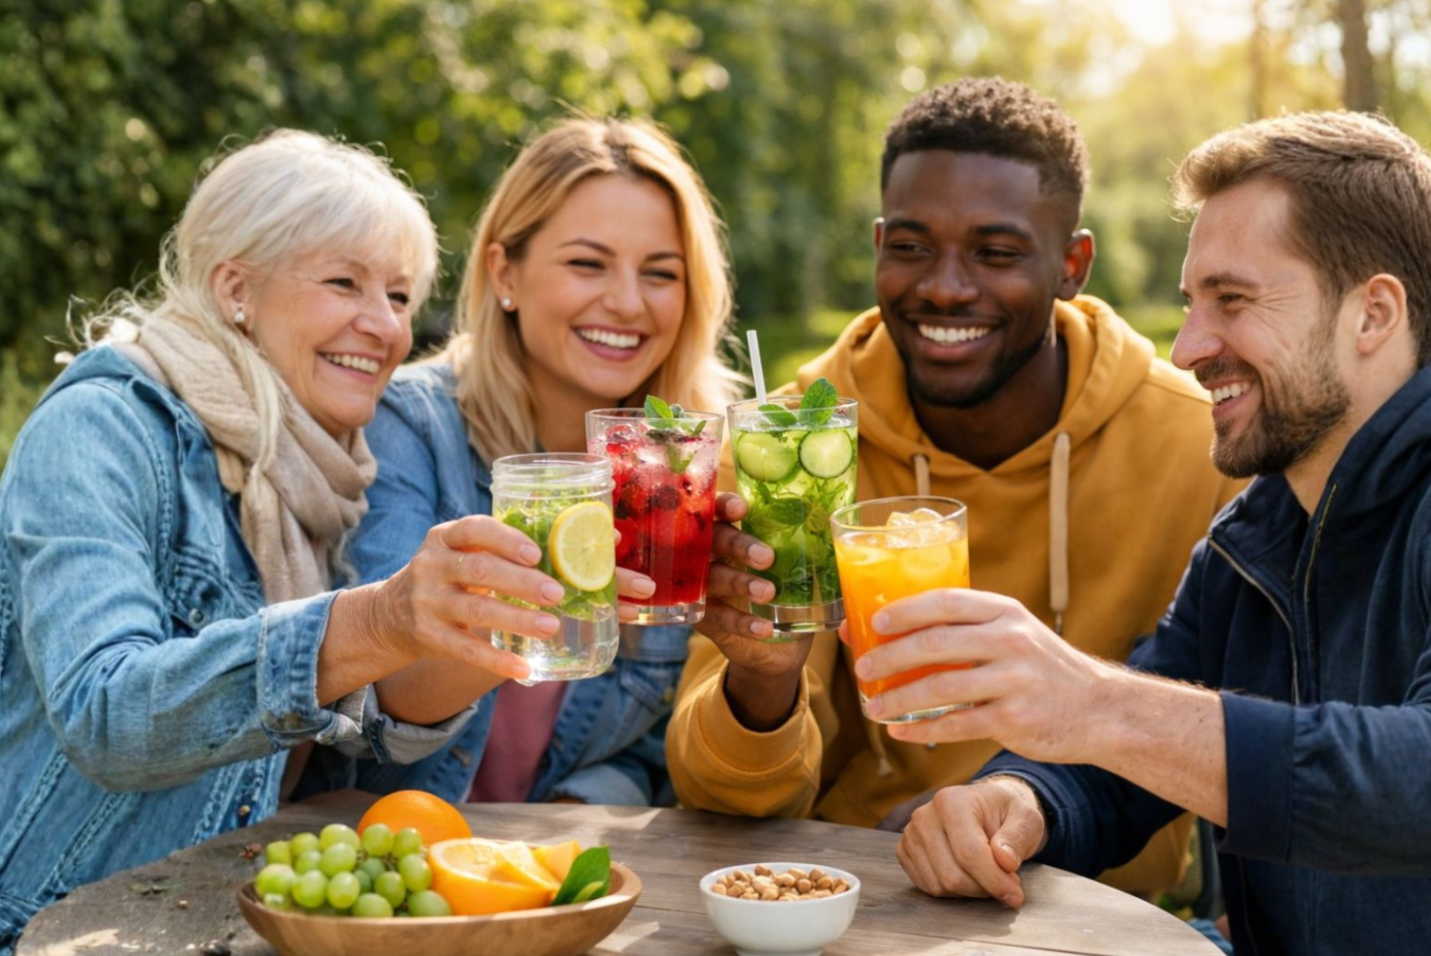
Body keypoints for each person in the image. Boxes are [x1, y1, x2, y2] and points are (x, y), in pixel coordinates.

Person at [879, 111, 1431, 954]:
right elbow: (1131, 750)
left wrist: (1089, 700)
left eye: (1233, 301)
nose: (1185, 348)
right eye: (1191, 304)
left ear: (1372, 315)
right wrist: (1018, 801)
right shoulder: (1257, 528)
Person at [666, 78, 1246, 895]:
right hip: (846, 896)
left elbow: (1243, 734)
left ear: (1070, 265)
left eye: (995, 252)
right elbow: (718, 798)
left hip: (1101, 907)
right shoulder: (789, 449)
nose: (943, 285)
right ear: (876, 246)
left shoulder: (1197, 445)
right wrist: (760, 682)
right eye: (909, 246)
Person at [0, 130, 575, 950]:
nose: (381, 326)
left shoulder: (325, 473)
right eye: (345, 283)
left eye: (402, 298)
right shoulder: (103, 427)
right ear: (235, 288)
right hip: (43, 931)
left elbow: (360, 760)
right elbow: (106, 711)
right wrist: (371, 623)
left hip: (214, 928)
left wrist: (484, 627)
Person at [343, 117, 742, 806]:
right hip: (401, 854)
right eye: (587, 264)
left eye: (660, 274)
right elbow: (374, 710)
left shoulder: (683, 467)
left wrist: (569, 828)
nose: (626, 302)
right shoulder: (409, 426)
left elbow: (648, 748)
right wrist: (516, 609)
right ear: (505, 273)